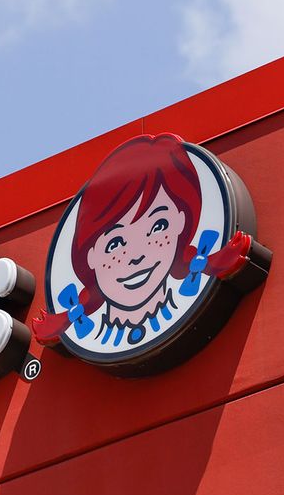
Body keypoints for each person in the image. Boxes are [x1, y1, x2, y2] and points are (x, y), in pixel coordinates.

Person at [33, 133, 252, 348]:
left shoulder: (184, 299)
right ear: (89, 255)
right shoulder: (95, 336)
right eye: (116, 243)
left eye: (158, 227)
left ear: (181, 222)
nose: (136, 256)